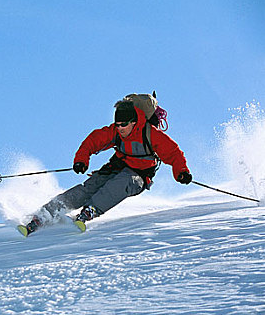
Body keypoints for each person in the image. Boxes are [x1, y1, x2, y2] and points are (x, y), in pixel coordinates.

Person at [18, 97, 192, 236]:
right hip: (117, 165)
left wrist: (182, 172)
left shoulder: (151, 134)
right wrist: (81, 160)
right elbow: (92, 141)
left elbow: (173, 153)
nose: (120, 128)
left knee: (121, 184)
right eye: (117, 125)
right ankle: (45, 214)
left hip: (139, 174)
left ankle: (90, 211)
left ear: (133, 122)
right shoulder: (115, 131)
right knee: (89, 187)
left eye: (124, 125)